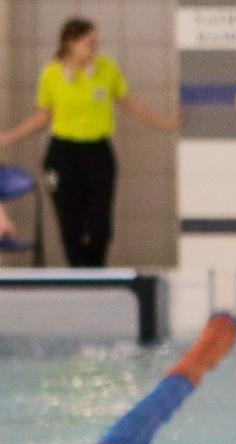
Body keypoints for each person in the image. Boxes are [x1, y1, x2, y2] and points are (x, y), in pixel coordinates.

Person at [0, 17, 180, 268]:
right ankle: (78, 274)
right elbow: (43, 116)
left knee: (99, 224)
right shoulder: (52, 73)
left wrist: (165, 122)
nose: (95, 47)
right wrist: (8, 136)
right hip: (63, 154)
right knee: (70, 221)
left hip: (97, 152)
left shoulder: (106, 69)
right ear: (71, 42)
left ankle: (96, 272)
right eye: (90, 42)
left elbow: (128, 103)